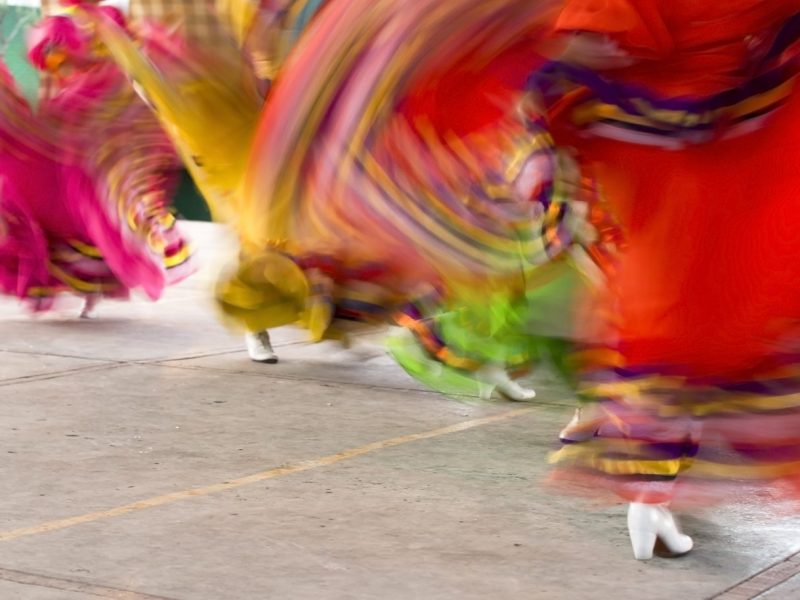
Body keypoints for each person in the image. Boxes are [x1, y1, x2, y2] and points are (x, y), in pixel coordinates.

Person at [537, 0, 800, 559]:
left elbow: (582, 46)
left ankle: (645, 488)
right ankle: (647, 487)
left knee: (667, 315)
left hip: (667, 154)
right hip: (711, 154)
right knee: (699, 319)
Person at [0, 6, 193, 316]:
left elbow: (133, 64)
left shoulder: (109, 20)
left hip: (105, 115)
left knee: (93, 203)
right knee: (54, 193)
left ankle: (94, 279)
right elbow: (52, 73)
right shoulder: (60, 23)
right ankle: (82, 279)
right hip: (77, 116)